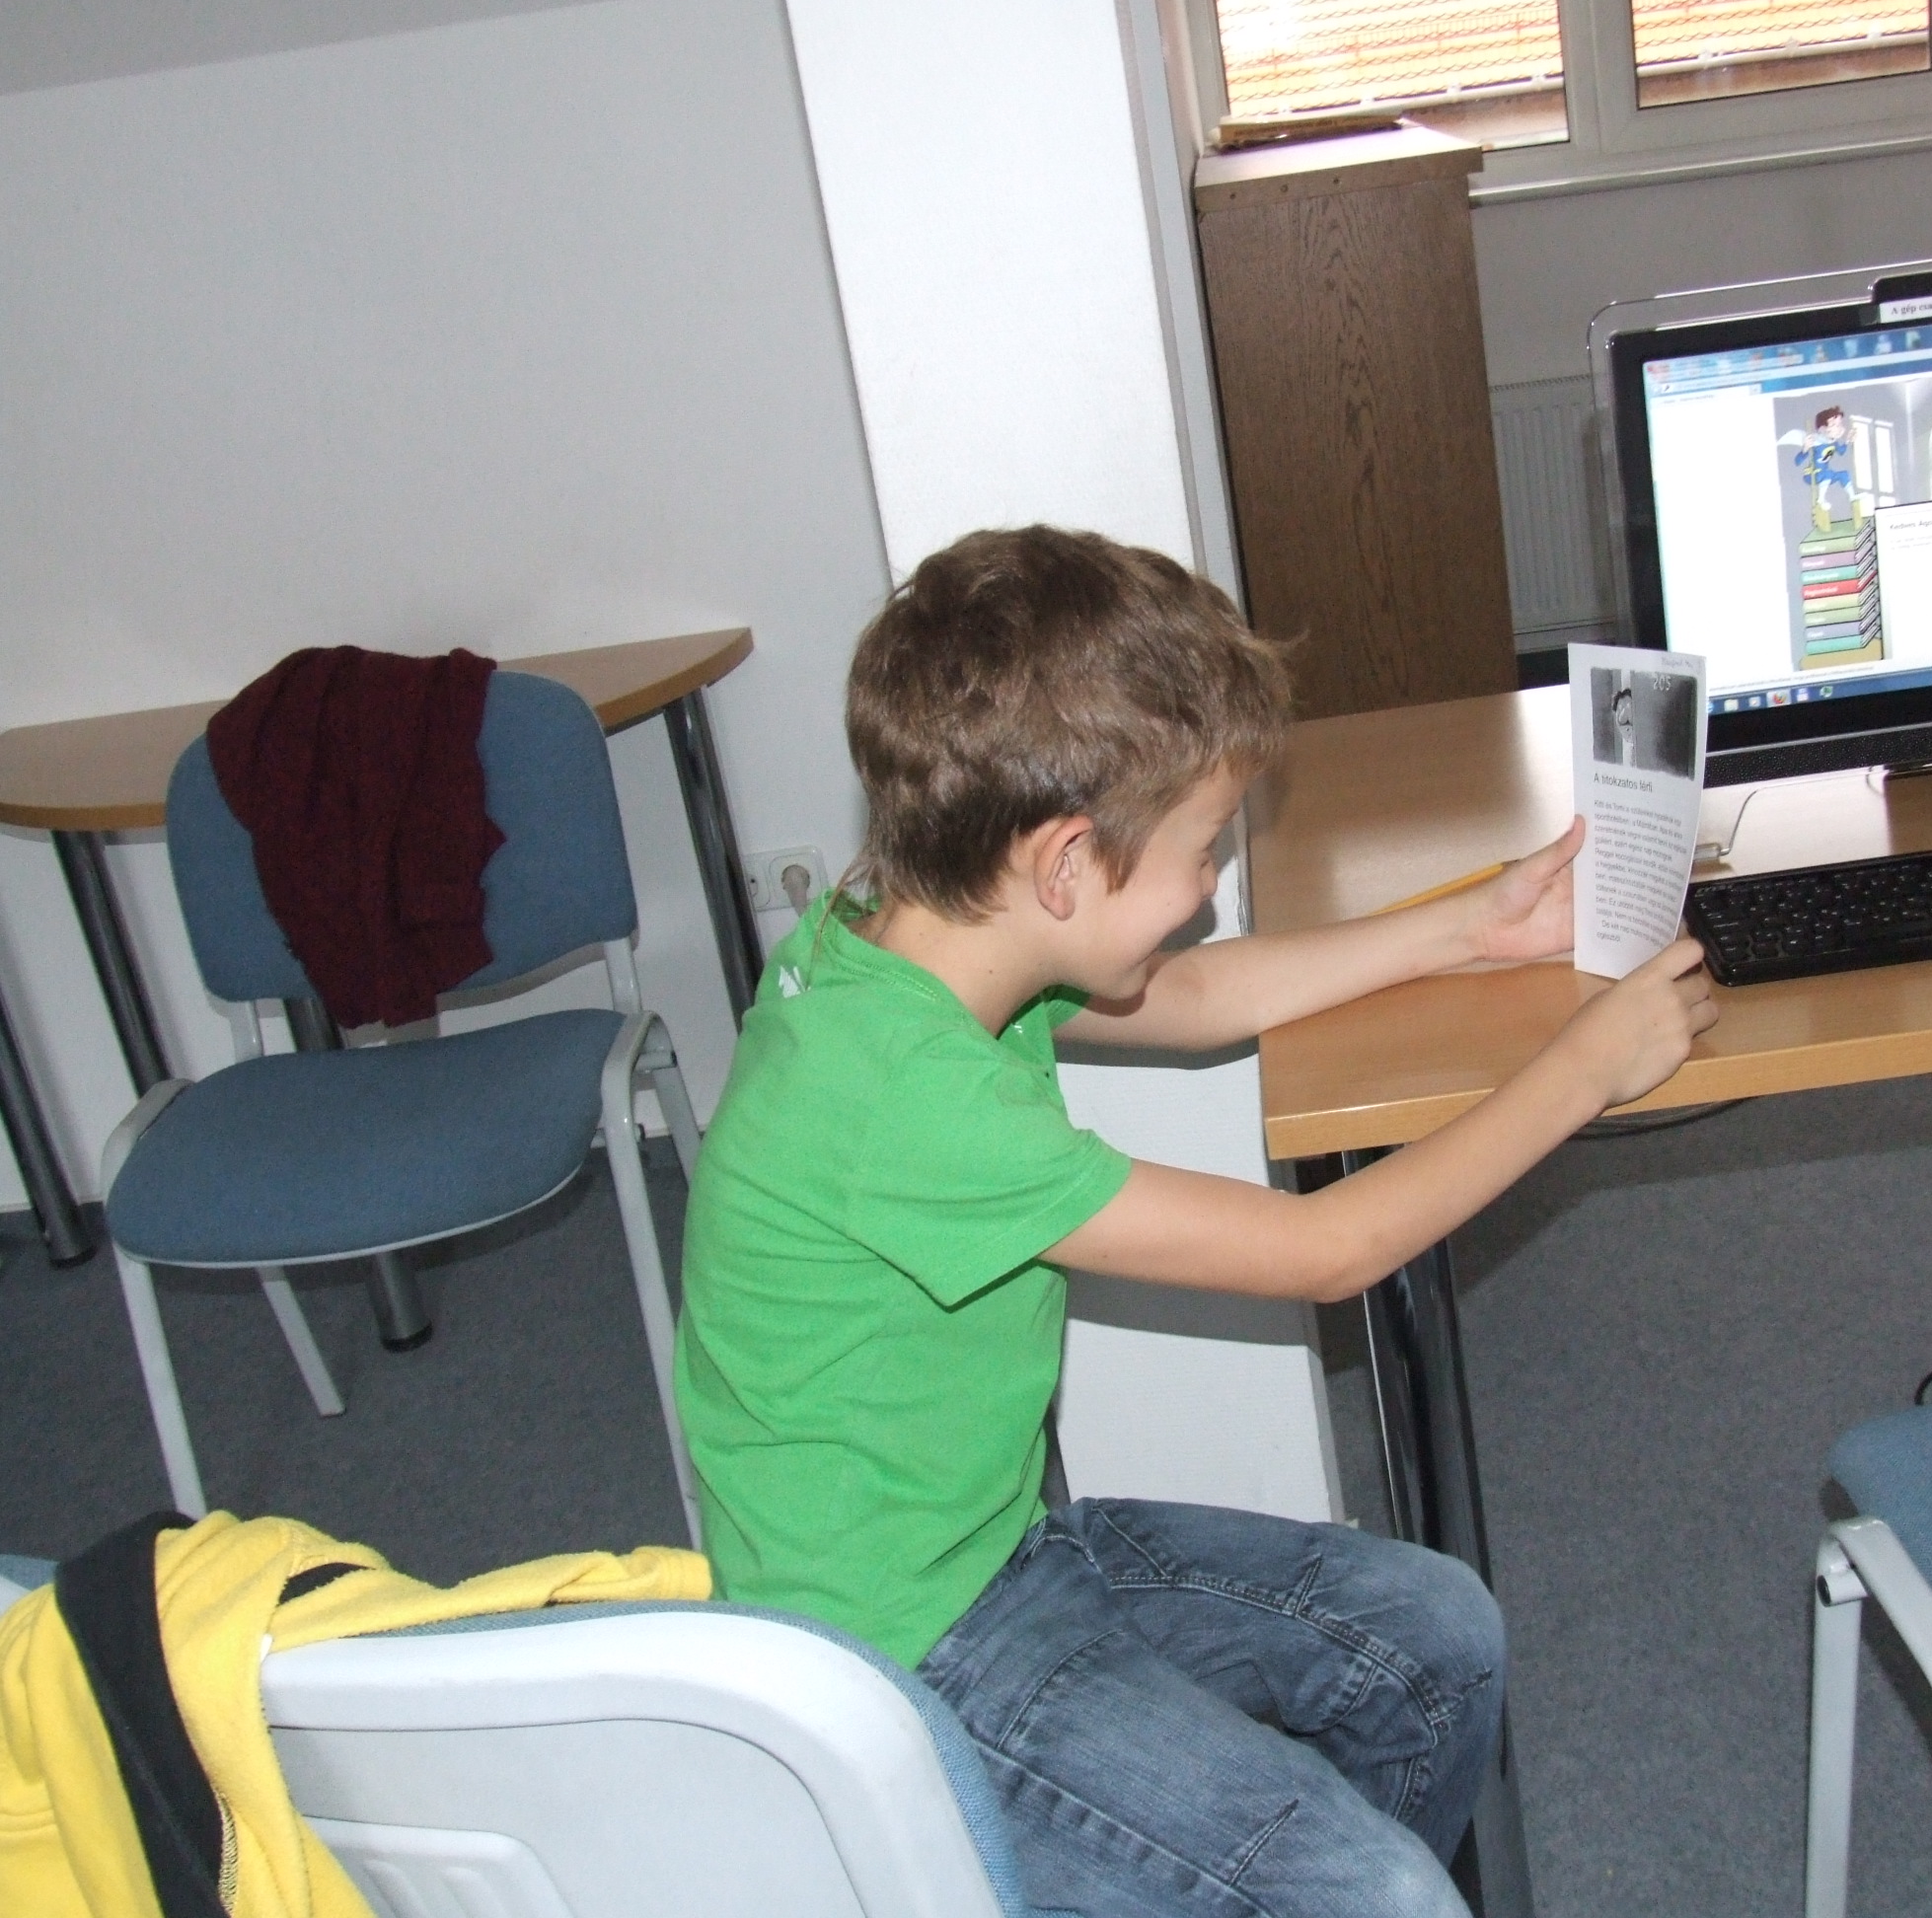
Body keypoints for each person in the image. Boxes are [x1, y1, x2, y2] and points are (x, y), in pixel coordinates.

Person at [675, 525, 1718, 1918]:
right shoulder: (896, 1099)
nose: (1213, 887)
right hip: (899, 1667)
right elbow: (1331, 1251)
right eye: (1201, 850)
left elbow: (1200, 998)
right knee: (1378, 1894)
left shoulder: (920, 933)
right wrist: (1585, 1068)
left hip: (999, 1554)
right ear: (1064, 864)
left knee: (1434, 1638)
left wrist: (1472, 927)